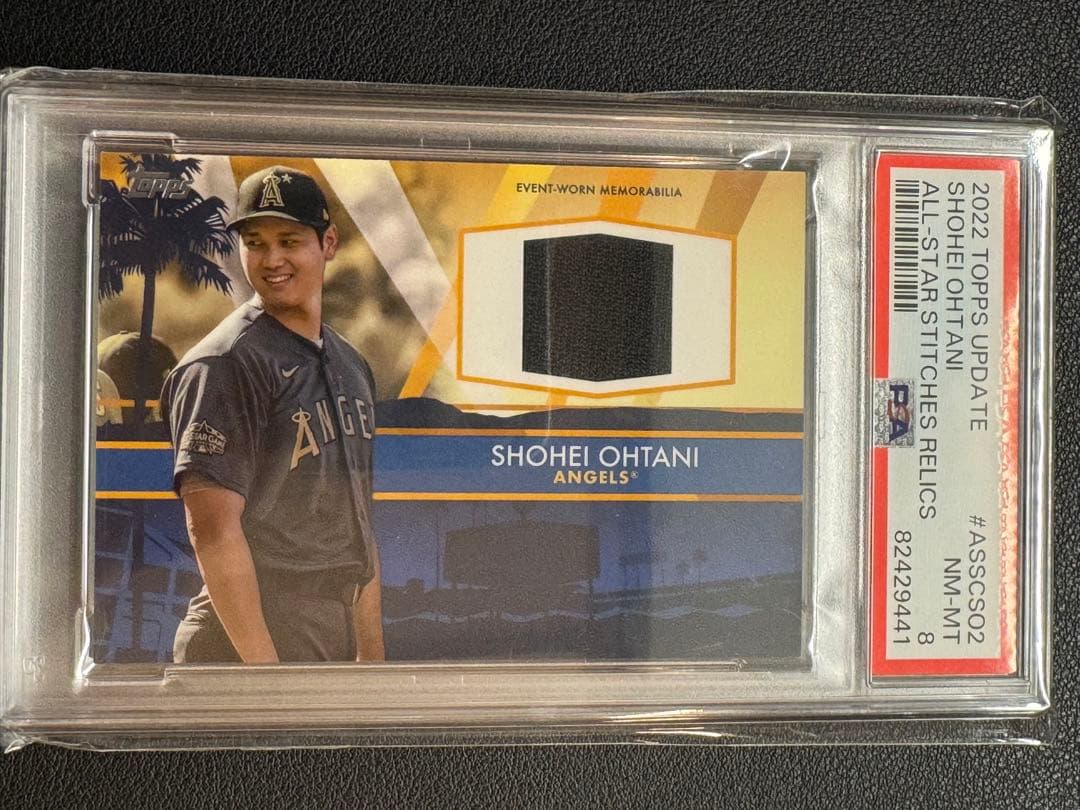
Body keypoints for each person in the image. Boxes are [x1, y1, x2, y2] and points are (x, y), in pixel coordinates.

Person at [161, 165, 384, 663]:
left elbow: (361, 529)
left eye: (289, 240)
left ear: (328, 243)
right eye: (255, 243)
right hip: (249, 635)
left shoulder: (352, 365)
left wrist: (372, 663)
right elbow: (213, 531)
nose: (272, 259)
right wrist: (266, 677)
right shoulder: (224, 363)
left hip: (328, 623)